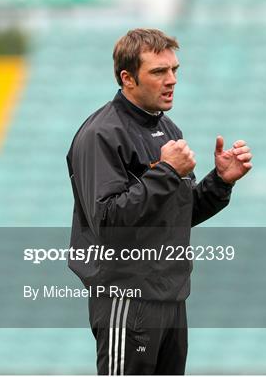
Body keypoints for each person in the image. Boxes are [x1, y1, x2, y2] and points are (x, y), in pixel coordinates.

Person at [67, 28, 252, 375]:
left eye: (174, 70)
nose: (171, 80)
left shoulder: (168, 129)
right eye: (158, 72)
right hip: (126, 298)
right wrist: (167, 170)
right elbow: (107, 223)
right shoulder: (101, 135)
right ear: (128, 78)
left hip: (171, 296)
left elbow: (177, 214)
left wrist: (220, 180)